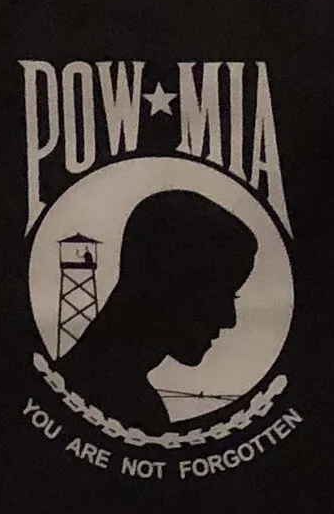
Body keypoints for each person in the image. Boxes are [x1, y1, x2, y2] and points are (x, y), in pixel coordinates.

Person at [60, 186, 258, 436]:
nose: (230, 320)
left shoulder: (79, 391)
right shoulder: (131, 409)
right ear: (168, 286)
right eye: (219, 297)